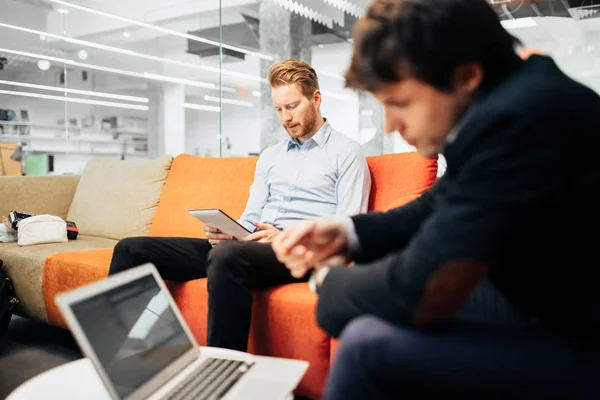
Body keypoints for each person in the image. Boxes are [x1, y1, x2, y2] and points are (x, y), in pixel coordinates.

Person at [272, 0, 600, 398]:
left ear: (466, 77)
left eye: (400, 103)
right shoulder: (513, 99)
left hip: (579, 336)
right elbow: (436, 205)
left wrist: (328, 282)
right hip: (543, 294)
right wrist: (344, 232)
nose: (391, 124)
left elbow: (425, 291)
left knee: (364, 345)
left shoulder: (522, 120)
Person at [109, 59, 371, 352]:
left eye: (293, 106)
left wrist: (284, 236)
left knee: (227, 257)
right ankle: (126, 359)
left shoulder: (347, 153)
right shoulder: (270, 157)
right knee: (131, 249)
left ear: (316, 99)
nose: (286, 117)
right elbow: (252, 216)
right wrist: (229, 232)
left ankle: (223, 376)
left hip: (297, 252)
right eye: (279, 109)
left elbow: (347, 232)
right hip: (250, 246)